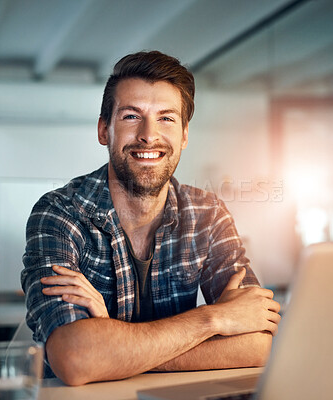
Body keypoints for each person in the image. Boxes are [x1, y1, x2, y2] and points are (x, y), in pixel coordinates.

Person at [21, 51, 281, 386]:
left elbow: (261, 343)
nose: (148, 135)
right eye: (131, 117)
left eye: (166, 119)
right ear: (104, 130)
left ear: (184, 135)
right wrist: (214, 319)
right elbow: (76, 358)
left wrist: (113, 346)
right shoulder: (59, 214)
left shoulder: (208, 214)